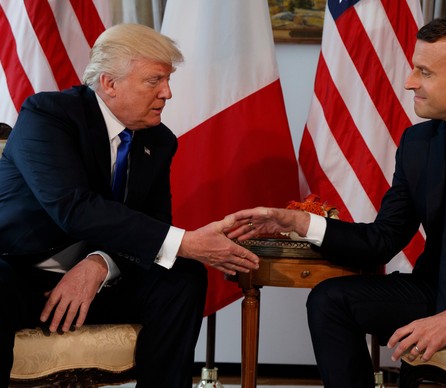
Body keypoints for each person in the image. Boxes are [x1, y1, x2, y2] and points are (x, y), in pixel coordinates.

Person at [227, 13, 446, 387]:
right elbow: (382, 239)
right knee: (330, 299)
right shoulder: (418, 143)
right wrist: (299, 223)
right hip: (445, 287)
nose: (410, 82)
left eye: (424, 72)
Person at [0, 24, 259, 388]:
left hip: (94, 280)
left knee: (182, 278)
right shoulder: (50, 115)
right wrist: (186, 242)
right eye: (154, 81)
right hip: (19, 269)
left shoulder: (159, 140)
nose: (167, 93)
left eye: (167, 81)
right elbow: (73, 207)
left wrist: (98, 265)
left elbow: (153, 221)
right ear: (109, 83)